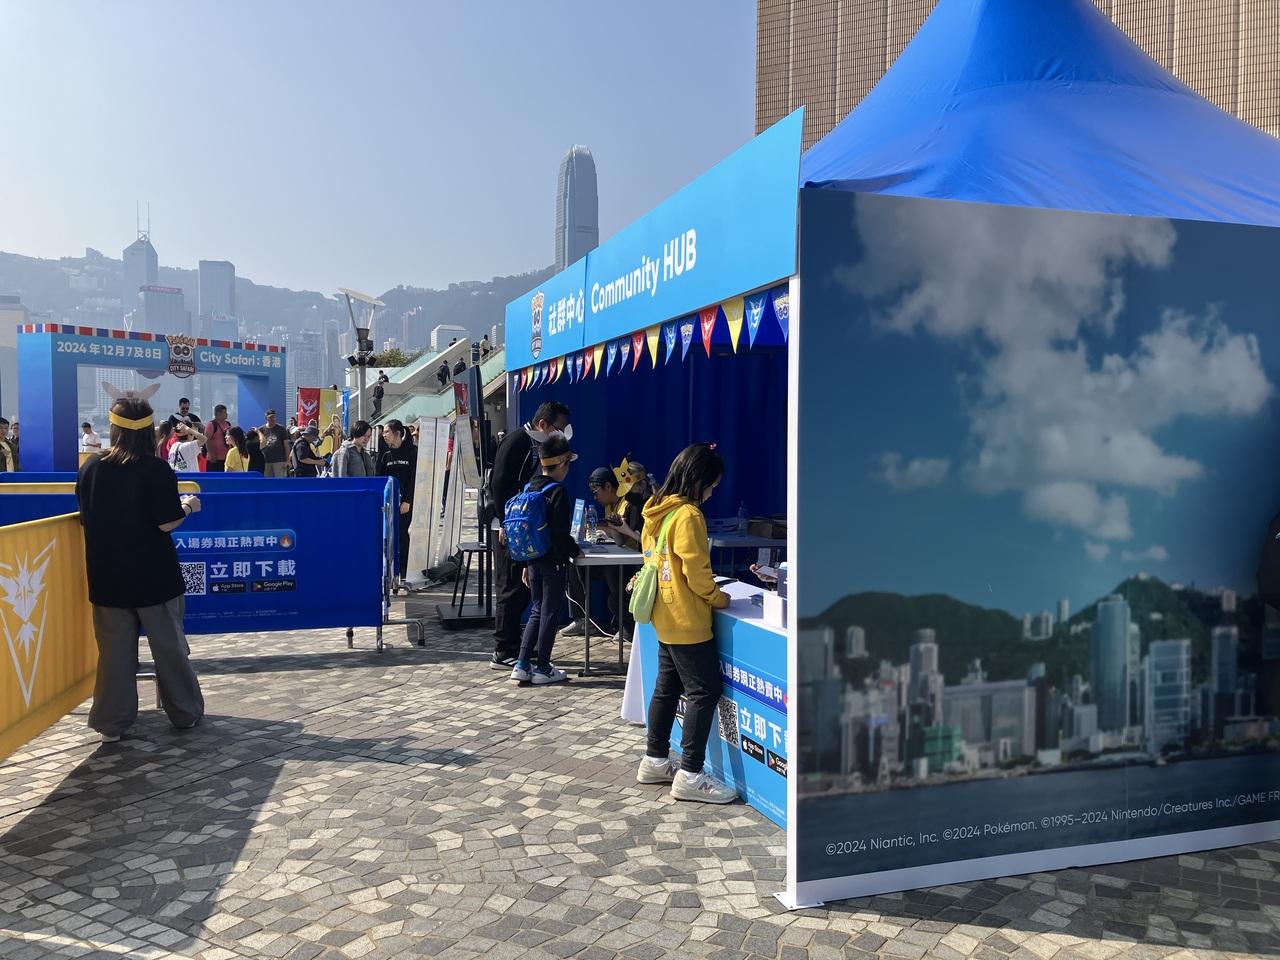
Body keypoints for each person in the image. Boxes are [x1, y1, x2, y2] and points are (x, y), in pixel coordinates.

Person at [76, 394, 204, 742]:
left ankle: (111, 723)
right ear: (149, 431)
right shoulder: (155, 469)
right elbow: (166, 522)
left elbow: (87, 518)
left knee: (114, 656)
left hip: (107, 577)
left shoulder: (91, 468)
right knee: (169, 649)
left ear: (113, 429)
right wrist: (189, 506)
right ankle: (184, 713)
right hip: (154, 577)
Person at [636, 443, 737, 804]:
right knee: (704, 691)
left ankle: (655, 759)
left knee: (667, 688)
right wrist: (720, 598)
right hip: (688, 619)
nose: (711, 494)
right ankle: (691, 774)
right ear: (698, 480)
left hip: (664, 615)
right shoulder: (688, 515)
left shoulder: (656, 511)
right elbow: (698, 574)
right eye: (712, 486)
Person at [487, 400, 571, 669]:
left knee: (524, 589)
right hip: (510, 526)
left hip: (525, 528)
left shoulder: (536, 446)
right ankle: (503, 650)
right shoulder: (518, 442)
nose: (561, 435)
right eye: (558, 429)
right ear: (543, 424)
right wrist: (504, 522)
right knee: (510, 587)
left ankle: (519, 646)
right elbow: (499, 483)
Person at [510, 433, 579, 686]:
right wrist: (575, 551)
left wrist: (526, 564)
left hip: (532, 559)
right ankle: (542, 667)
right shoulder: (557, 491)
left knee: (537, 610)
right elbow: (560, 533)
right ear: (562, 463)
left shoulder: (529, 487)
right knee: (550, 612)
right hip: (553, 561)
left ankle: (522, 664)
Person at [377, 419, 418, 579]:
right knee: (388, 535)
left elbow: (414, 478)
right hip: (388, 503)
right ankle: (389, 568)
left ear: (398, 433)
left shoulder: (412, 452)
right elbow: (379, 477)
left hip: (405, 503)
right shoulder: (386, 454)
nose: (384, 435)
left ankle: (404, 569)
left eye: (387, 432)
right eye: (383, 432)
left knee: (402, 534)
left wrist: (408, 500)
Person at [258, 410, 289, 478]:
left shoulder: (281, 429)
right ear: (266, 418)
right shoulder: (261, 429)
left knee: (280, 481)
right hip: (266, 461)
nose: (272, 419)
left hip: (279, 460)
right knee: (267, 481)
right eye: (270, 417)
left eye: (274, 417)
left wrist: (287, 460)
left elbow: (286, 445)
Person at [204, 404, 231, 472]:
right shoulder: (211, 425)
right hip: (214, 459)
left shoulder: (228, 424)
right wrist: (211, 454)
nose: (226, 414)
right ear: (218, 413)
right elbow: (207, 440)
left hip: (226, 458)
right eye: (224, 412)